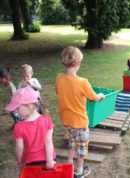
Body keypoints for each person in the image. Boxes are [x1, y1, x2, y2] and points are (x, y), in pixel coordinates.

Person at [55, 46, 105, 178]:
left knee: (73, 140)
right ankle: (79, 171)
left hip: (66, 121)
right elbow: (94, 97)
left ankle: (69, 164)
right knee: (82, 147)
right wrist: (101, 95)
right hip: (80, 123)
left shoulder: (59, 78)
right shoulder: (83, 82)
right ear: (77, 63)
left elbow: (58, 91)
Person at [5, 86, 56, 169]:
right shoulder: (47, 120)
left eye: (17, 108)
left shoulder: (18, 126)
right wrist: (49, 161)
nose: (16, 111)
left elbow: (19, 147)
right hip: (49, 158)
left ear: (29, 106)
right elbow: (49, 142)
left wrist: (19, 160)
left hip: (32, 162)